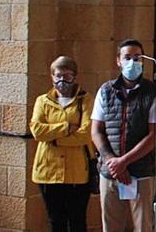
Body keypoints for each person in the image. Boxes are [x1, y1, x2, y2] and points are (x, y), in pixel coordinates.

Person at [91, 39, 156, 232]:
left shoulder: (155, 92)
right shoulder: (105, 91)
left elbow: (154, 135)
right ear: (118, 61)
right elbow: (96, 130)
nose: (132, 62)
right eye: (127, 57)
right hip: (110, 173)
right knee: (112, 226)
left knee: (143, 226)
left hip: (141, 172)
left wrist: (124, 161)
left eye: (137, 58)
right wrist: (112, 162)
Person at [31, 56, 95, 232]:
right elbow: (36, 130)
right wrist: (67, 128)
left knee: (77, 220)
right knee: (56, 220)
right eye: (58, 76)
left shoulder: (85, 100)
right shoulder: (42, 101)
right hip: (48, 170)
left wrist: (53, 138)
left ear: (74, 76)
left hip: (77, 171)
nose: (62, 81)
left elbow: (85, 134)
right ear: (52, 76)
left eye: (67, 76)